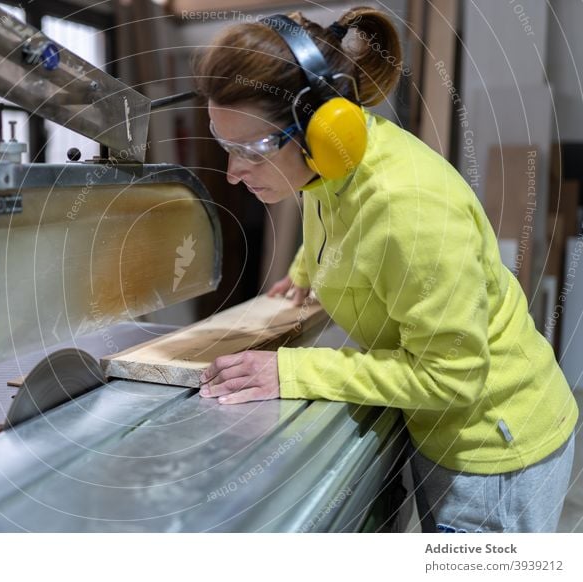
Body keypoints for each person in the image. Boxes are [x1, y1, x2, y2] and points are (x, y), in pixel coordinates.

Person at [192, 6, 578, 533]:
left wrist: (292, 372)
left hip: (495, 450)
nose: (232, 173)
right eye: (224, 145)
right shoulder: (327, 167)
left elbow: (453, 380)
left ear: (322, 127)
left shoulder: (409, 209)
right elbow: (331, 213)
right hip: (440, 432)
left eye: (251, 149)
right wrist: (308, 269)